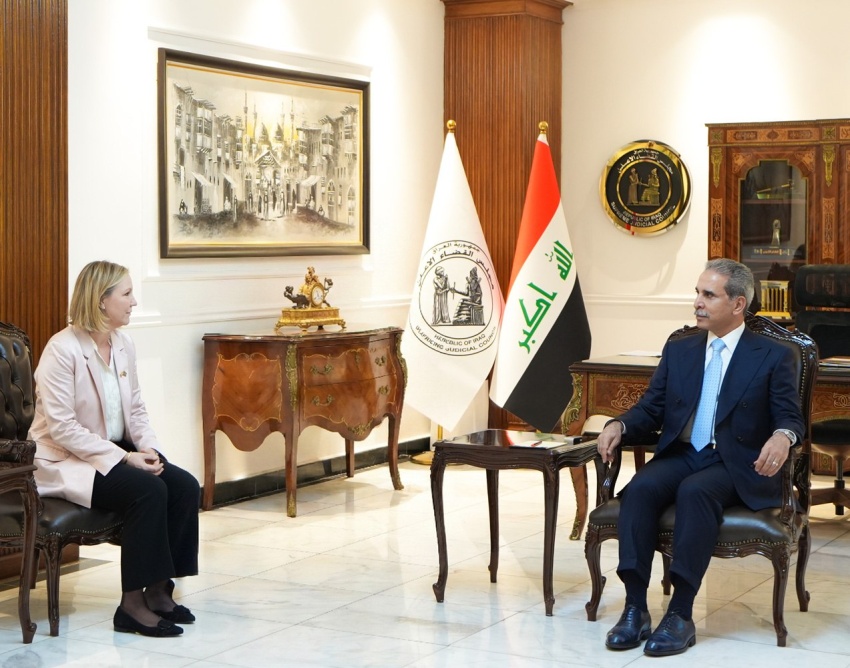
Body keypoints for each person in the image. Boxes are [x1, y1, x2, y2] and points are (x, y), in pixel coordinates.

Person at [596, 258, 803, 657]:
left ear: (738, 304)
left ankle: (680, 613)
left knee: (696, 491)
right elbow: (652, 407)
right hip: (684, 453)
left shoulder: (775, 355)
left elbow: (790, 417)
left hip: (736, 462)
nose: (697, 302)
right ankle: (635, 607)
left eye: (709, 295)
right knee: (639, 489)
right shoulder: (680, 349)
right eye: (697, 293)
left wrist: (783, 436)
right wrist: (619, 424)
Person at [28, 260, 200, 638]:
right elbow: (62, 428)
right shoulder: (62, 349)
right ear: (101, 300)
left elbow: (135, 409)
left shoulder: (123, 343)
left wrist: (149, 449)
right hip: (66, 458)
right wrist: (125, 457)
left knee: (184, 486)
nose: (134, 302)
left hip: (110, 449)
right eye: (127, 294)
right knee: (148, 490)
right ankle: (131, 606)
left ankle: (158, 591)